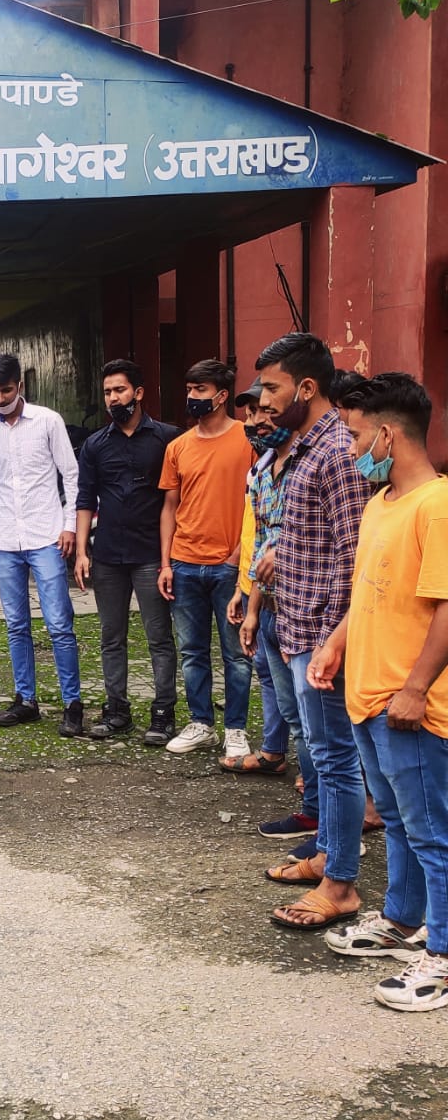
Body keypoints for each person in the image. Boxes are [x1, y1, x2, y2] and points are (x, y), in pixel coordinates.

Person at [311, 374, 447, 1009]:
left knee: (432, 834)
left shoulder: (435, 507)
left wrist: (416, 688)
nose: (353, 449)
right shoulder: (381, 503)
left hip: (409, 705)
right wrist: (336, 642)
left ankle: (441, 956)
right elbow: (369, 589)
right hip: (369, 697)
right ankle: (401, 919)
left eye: (359, 436)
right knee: (396, 820)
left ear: (389, 435)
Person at [254, 334, 374, 931]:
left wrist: (333, 642)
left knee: (335, 759)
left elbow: (356, 561)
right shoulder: (305, 447)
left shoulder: (337, 453)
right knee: (326, 758)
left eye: (272, 388)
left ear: (307, 387)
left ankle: (341, 884)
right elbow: (309, 536)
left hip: (324, 636)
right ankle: (327, 853)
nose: (263, 400)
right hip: (297, 626)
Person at [225, 383, 322, 862]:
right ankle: (313, 809)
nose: (258, 422)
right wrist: (252, 608)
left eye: (266, 412)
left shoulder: (310, 466)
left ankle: (327, 817)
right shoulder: (262, 469)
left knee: (316, 725)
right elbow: (263, 544)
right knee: (293, 715)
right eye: (251, 414)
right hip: (271, 611)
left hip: (307, 614)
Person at [0, 352, 84, 736]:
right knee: (16, 624)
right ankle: (26, 700)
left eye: (7, 390)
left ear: (20, 386)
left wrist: (69, 526)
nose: (0, 398)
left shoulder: (48, 422)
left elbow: (71, 475)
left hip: (46, 535)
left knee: (59, 623)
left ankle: (72, 703)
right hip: (4, 540)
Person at [73, 359, 180, 744]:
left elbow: (175, 501)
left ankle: (163, 713)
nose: (113, 398)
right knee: (111, 636)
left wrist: (169, 559)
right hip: (108, 556)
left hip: (151, 554)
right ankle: (117, 710)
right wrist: (82, 551)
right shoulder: (95, 445)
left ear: (139, 392)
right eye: (107, 392)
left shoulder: (168, 439)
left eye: (119, 390)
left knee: (159, 637)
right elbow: (85, 500)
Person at [157, 359, 254, 759]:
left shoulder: (249, 439)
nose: (192, 396)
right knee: (192, 651)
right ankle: (201, 723)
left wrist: (237, 557)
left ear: (222, 395)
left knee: (237, 654)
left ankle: (235, 728)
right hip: (184, 562)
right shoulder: (178, 447)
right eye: (189, 389)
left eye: (200, 390)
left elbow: (257, 502)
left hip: (229, 566)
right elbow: (170, 507)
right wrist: (166, 563)